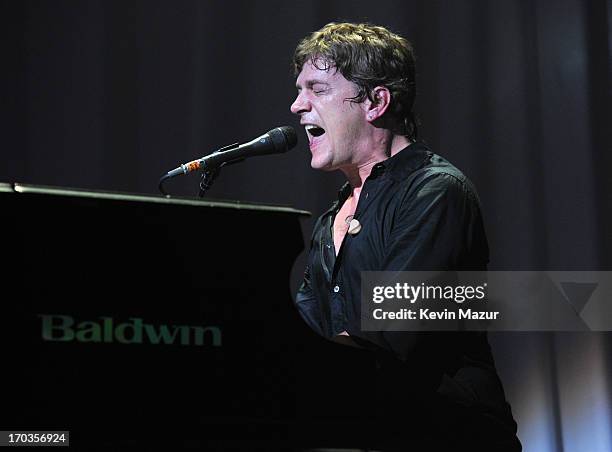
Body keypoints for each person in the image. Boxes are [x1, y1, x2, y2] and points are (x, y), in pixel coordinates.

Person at [291, 22, 521, 450]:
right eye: (299, 90)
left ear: (376, 102)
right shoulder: (331, 219)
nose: (296, 106)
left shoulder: (434, 190)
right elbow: (308, 332)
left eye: (316, 89)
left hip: (448, 435)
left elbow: (391, 332)